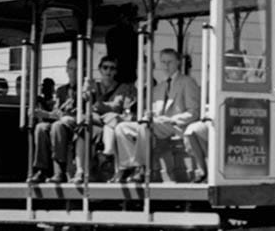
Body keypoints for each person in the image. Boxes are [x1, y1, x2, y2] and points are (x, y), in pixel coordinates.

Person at [114, 49, 205, 183]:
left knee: (146, 125)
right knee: (122, 128)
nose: (166, 66)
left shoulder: (187, 82)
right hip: (158, 125)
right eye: (163, 62)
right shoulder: (159, 87)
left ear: (178, 62)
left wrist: (172, 119)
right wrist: (149, 114)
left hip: (177, 126)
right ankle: (129, 166)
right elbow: (155, 112)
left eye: (170, 62)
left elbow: (194, 112)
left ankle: (142, 167)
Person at [76, 56, 137, 181]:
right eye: (105, 67)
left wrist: (98, 106)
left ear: (116, 71)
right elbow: (84, 104)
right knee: (84, 129)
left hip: (112, 125)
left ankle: (110, 161)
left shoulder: (123, 88)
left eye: (112, 68)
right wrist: (85, 91)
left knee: (113, 120)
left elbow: (119, 108)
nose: (108, 71)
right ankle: (80, 171)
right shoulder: (93, 86)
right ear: (100, 69)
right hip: (97, 124)